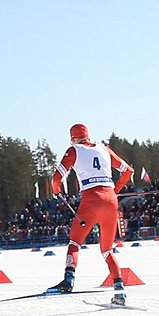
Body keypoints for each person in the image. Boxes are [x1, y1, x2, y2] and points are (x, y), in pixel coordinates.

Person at [47, 123, 135, 306]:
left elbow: (56, 179)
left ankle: (68, 280)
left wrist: (56, 192)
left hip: (91, 201)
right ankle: (120, 291)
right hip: (111, 201)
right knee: (107, 250)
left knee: (75, 242)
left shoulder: (74, 150)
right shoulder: (104, 148)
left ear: (73, 138)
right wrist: (116, 190)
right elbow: (128, 171)